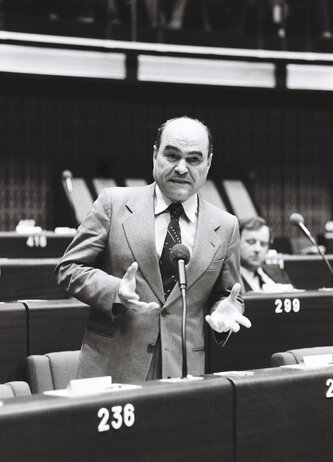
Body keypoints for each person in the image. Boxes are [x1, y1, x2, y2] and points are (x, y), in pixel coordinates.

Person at [55, 116, 251, 383]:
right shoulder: (114, 203)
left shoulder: (226, 225)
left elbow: (229, 295)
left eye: (193, 159)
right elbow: (69, 269)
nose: (182, 168)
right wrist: (115, 291)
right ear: (155, 155)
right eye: (172, 155)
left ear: (208, 164)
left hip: (185, 370)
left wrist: (224, 312)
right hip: (114, 365)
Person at [239, 217, 292, 292]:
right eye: (251, 242)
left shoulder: (277, 272)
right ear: (236, 243)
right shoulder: (226, 279)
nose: (257, 249)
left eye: (263, 244)